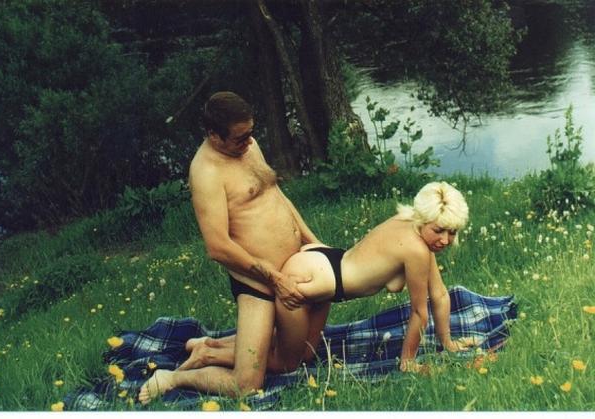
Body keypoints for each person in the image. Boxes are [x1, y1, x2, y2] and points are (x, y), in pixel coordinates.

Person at [177, 181, 477, 379]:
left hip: (325, 265)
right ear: (424, 220)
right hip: (307, 278)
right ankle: (205, 356)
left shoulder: (411, 225)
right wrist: (408, 361)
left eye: (452, 232)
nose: (445, 239)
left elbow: (439, 295)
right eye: (439, 230)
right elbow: (419, 312)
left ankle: (208, 343)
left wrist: (448, 343)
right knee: (286, 363)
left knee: (307, 353)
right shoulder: (416, 250)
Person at [138, 91, 319, 404]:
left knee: (300, 356)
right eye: (240, 138)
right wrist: (274, 278)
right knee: (247, 385)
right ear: (214, 136)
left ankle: (209, 349)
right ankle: (172, 377)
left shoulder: (248, 145)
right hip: (258, 282)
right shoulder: (206, 172)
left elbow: (276, 195)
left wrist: (312, 242)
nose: (249, 142)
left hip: (292, 267)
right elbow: (218, 246)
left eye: (251, 133)